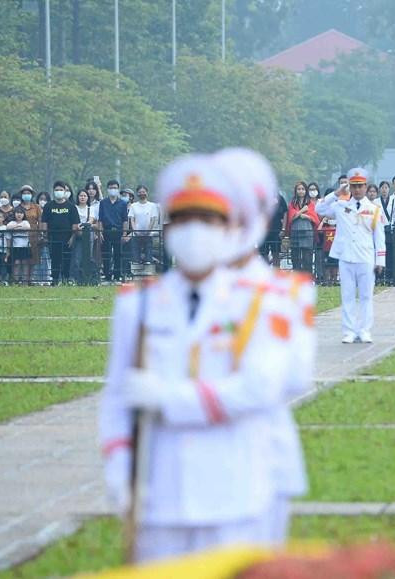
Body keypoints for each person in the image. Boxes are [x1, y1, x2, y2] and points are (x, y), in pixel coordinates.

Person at [98, 155, 295, 564]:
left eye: (207, 220)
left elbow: (259, 388)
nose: (195, 232)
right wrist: (118, 463)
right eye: (184, 219)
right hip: (159, 491)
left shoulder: (259, 301)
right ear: (167, 229)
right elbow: (117, 396)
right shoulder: (140, 304)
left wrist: (168, 399)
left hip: (234, 489)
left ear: (228, 228)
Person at [213, 147, 316, 547]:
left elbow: (290, 379)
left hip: (262, 453)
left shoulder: (288, 292)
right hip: (188, 469)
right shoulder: (161, 298)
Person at [317, 168, 386, 343]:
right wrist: (337, 193)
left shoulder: (374, 209)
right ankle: (348, 331)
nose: (357, 190)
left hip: (365, 257)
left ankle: (364, 330)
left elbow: (379, 237)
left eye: (360, 186)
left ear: (366, 187)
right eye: (353, 186)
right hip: (346, 257)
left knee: (366, 296)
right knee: (347, 295)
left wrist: (380, 260)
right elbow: (319, 209)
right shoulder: (341, 206)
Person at [41, 181, 80, 285]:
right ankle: (54, 280)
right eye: (57, 190)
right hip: (53, 237)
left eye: (61, 190)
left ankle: (65, 279)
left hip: (67, 238)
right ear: (53, 191)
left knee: (67, 259)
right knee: (54, 259)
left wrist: (72, 238)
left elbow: (75, 224)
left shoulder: (71, 207)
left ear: (65, 191)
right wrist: (45, 236)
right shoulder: (48, 206)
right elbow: (44, 222)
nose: (59, 192)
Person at [376, 175, 395, 285]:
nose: (384, 190)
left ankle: (389, 277)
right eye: (382, 187)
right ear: (379, 189)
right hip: (379, 230)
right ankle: (379, 277)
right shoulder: (375, 202)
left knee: (390, 255)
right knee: (380, 253)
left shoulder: (394, 201)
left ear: (389, 189)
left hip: (390, 231)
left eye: (386, 188)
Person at [284, 181, 319, 274]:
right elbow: (291, 217)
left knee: (307, 257)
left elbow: (314, 218)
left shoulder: (310, 203)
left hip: (307, 232)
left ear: (305, 190)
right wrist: (302, 211)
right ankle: (297, 279)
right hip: (295, 231)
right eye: (299, 189)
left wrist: (306, 216)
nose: (301, 191)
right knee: (295, 256)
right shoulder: (292, 203)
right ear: (296, 191)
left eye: (303, 189)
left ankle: (308, 278)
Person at [100, 180, 129, 282]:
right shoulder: (103, 203)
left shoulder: (123, 203)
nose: (113, 190)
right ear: (108, 189)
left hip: (118, 231)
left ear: (118, 189)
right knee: (106, 254)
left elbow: (125, 220)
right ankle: (107, 275)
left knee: (118, 254)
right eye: (111, 188)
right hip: (106, 231)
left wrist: (124, 233)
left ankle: (117, 275)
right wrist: (100, 232)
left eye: (115, 188)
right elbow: (101, 219)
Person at [71, 189, 99, 285]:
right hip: (76, 234)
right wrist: (76, 227)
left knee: (89, 256)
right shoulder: (74, 208)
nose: (82, 197)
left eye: (84, 196)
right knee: (77, 257)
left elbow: (91, 220)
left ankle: (92, 278)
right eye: (81, 195)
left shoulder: (91, 209)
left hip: (88, 234)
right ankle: (76, 279)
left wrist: (84, 225)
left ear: (87, 198)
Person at [129, 186, 159, 265]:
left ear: (146, 193)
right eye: (140, 192)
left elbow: (153, 219)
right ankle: (136, 268)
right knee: (135, 255)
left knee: (148, 255)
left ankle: (148, 268)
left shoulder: (152, 205)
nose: (142, 194)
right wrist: (135, 231)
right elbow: (132, 219)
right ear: (137, 194)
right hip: (136, 234)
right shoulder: (133, 206)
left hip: (148, 234)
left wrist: (148, 231)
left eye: (143, 192)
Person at [7, 206, 32, 284]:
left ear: (23, 214)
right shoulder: (12, 222)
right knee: (16, 263)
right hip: (15, 247)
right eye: (17, 213)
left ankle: (25, 282)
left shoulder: (25, 222)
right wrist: (19, 227)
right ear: (14, 214)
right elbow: (8, 227)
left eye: (21, 213)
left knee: (25, 263)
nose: (19, 215)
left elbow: (27, 227)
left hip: (25, 247)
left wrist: (15, 228)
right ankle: (15, 281)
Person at [0, 212, 9, 285]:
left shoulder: (6, 227)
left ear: (3, 218)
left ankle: (4, 280)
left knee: (3, 266)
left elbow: (8, 239)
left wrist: (8, 251)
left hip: (3, 250)